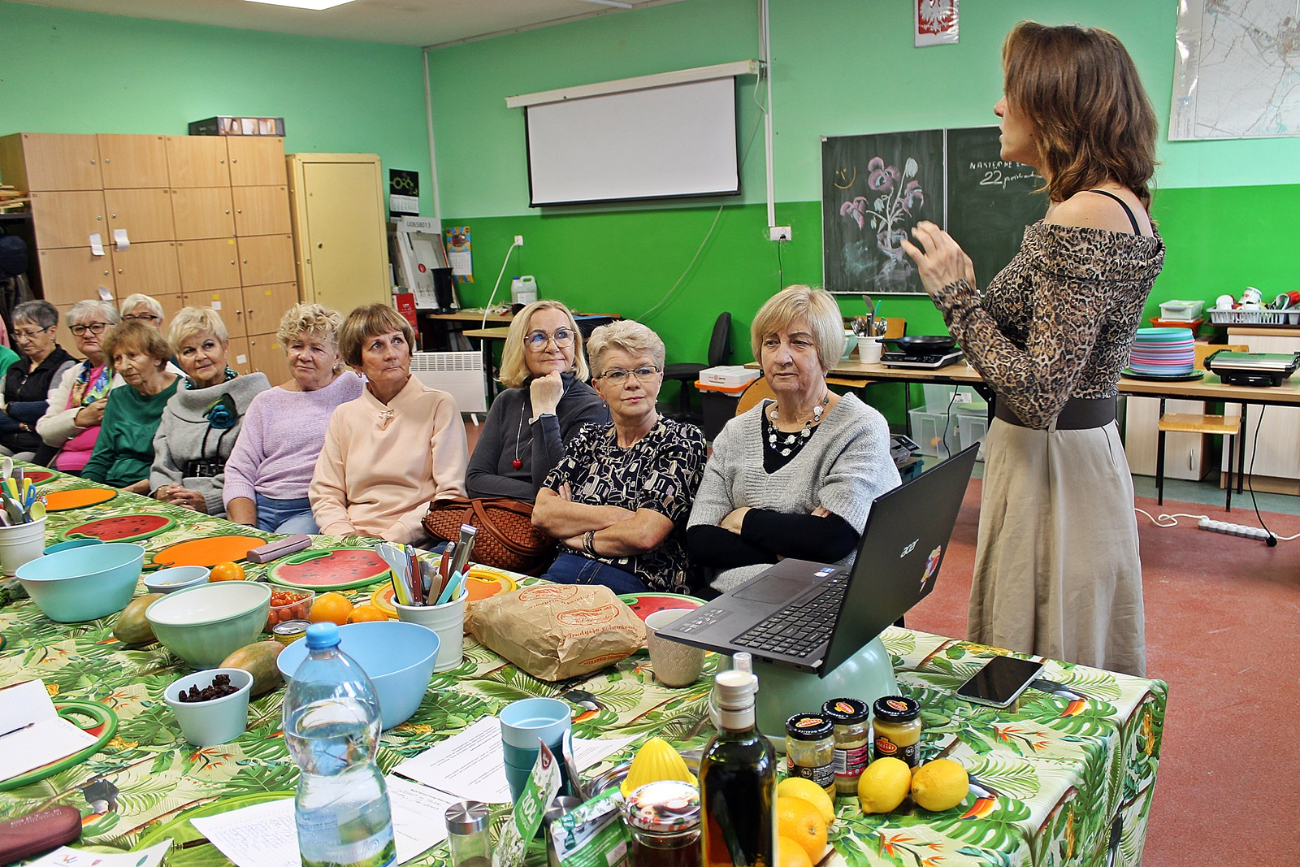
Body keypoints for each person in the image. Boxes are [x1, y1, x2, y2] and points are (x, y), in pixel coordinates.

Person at [902, 21, 1163, 677]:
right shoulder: (1102, 204)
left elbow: (1040, 392)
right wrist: (968, 302)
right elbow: (1015, 341)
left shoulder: (1086, 213)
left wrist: (957, 297)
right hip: (1056, 459)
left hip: (1054, 467)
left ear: (1053, 105)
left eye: (1009, 90)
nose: (997, 106)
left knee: (1040, 675)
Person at [687, 286, 899, 593]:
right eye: (771, 342)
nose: (781, 357)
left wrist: (743, 518)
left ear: (825, 353)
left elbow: (831, 540)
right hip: (730, 596)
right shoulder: (735, 433)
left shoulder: (859, 427)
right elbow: (701, 540)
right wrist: (793, 544)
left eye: (799, 343)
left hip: (820, 600)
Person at [532, 320, 706, 594]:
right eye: (616, 374)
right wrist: (618, 515)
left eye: (644, 371)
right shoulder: (588, 438)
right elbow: (543, 513)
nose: (632, 383)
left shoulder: (681, 440)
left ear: (659, 379)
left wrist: (578, 534)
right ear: (598, 387)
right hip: (563, 573)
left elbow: (645, 534)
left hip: (639, 585)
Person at [309, 304, 468, 544]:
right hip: (352, 540)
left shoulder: (439, 404)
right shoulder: (344, 416)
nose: (391, 354)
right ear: (356, 362)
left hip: (419, 540)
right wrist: (343, 534)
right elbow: (325, 492)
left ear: (409, 351)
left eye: (397, 341)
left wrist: (389, 538)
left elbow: (450, 495)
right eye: (377, 345)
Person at [223, 304, 362, 533]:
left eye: (317, 349)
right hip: (259, 505)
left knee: (273, 557)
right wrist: (245, 528)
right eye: (297, 346)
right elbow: (239, 469)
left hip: (313, 507)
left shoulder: (355, 388)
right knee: (234, 557)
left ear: (337, 356)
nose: (304, 356)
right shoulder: (265, 401)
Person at [466, 300, 608, 502]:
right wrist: (539, 495)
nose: (553, 347)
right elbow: (475, 480)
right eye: (539, 337)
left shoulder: (593, 407)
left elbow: (558, 492)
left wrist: (545, 412)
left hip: (553, 530)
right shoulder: (506, 401)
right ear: (520, 347)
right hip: (497, 521)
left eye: (562, 335)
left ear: (575, 343)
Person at [150, 307, 270, 516]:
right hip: (179, 506)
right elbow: (163, 463)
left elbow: (259, 465)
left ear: (225, 346)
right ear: (178, 357)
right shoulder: (173, 405)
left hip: (237, 506)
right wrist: (165, 492)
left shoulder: (256, 396)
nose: (200, 356)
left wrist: (211, 500)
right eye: (189, 351)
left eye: (208, 346)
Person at [82, 321, 180, 492]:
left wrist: (129, 493)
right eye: (117, 359)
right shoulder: (118, 397)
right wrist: (86, 489)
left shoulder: (183, 393)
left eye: (132, 355)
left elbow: (181, 465)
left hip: (158, 487)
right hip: (114, 485)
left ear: (157, 358)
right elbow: (101, 458)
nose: (125, 366)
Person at [36, 300, 121, 474]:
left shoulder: (126, 370)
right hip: (60, 465)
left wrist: (65, 423)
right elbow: (45, 429)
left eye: (96, 327)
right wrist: (80, 418)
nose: (87, 334)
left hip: (105, 467)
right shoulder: (73, 374)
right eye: (79, 329)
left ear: (116, 329)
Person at [0, 300, 75, 461]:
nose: (23, 341)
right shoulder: (15, 368)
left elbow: (51, 409)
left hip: (39, 445)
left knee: (17, 467)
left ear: (52, 332)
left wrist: (11, 408)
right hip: (6, 440)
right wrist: (23, 425)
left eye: (29, 333)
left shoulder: (66, 367)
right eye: (18, 334)